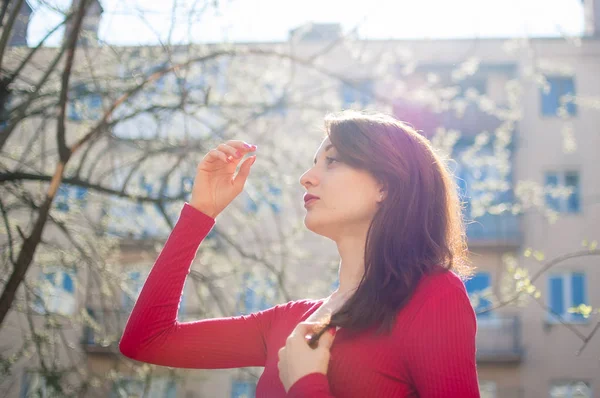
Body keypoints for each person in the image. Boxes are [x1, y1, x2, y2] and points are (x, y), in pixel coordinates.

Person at [119, 110, 481, 397]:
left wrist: (306, 383)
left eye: (332, 161)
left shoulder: (431, 296)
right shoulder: (289, 321)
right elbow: (147, 340)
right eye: (313, 163)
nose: (306, 177)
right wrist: (200, 213)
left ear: (385, 185)